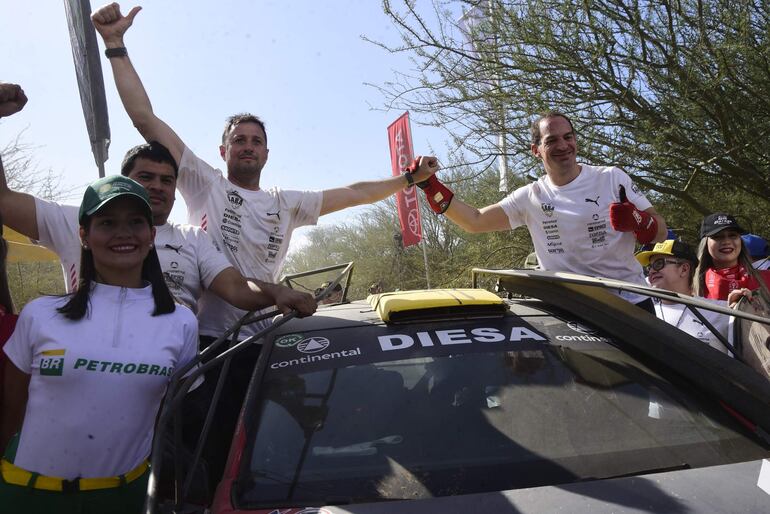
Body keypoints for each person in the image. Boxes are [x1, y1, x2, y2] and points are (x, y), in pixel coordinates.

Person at [91, 3, 437, 342]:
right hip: (207, 336)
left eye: (256, 141)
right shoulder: (204, 183)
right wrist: (114, 45)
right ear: (223, 151)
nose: (248, 146)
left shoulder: (287, 204)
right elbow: (145, 118)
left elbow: (356, 194)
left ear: (267, 154)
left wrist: (409, 179)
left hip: (265, 336)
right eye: (239, 139)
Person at [0, 83, 316, 323]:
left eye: (167, 180)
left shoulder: (192, 239)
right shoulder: (77, 222)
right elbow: (4, 201)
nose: (158, 187)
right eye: (146, 177)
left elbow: (236, 288)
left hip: (180, 387)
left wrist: (277, 292)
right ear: (122, 182)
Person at [0, 175, 198, 513]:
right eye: (107, 222)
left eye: (135, 221)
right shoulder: (40, 314)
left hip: (124, 496)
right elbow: (7, 413)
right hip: (28, 494)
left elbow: (164, 417)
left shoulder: (181, 323)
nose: (123, 232)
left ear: (151, 235)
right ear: (84, 236)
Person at [414, 111, 667, 309]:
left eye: (568, 137)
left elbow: (661, 233)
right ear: (536, 150)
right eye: (552, 140)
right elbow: (475, 221)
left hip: (631, 305)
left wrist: (640, 221)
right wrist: (430, 185)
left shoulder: (612, 178)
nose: (563, 145)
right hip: (575, 311)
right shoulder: (531, 196)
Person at [635, 239, 745, 353]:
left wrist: (746, 305)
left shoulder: (722, 311)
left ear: (684, 269)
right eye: (650, 267)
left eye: (658, 264)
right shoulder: (641, 310)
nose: (652, 271)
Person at [693, 213, 770, 301]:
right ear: (705, 244)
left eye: (732, 235)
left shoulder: (767, 278)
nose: (726, 241)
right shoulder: (690, 285)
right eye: (717, 236)